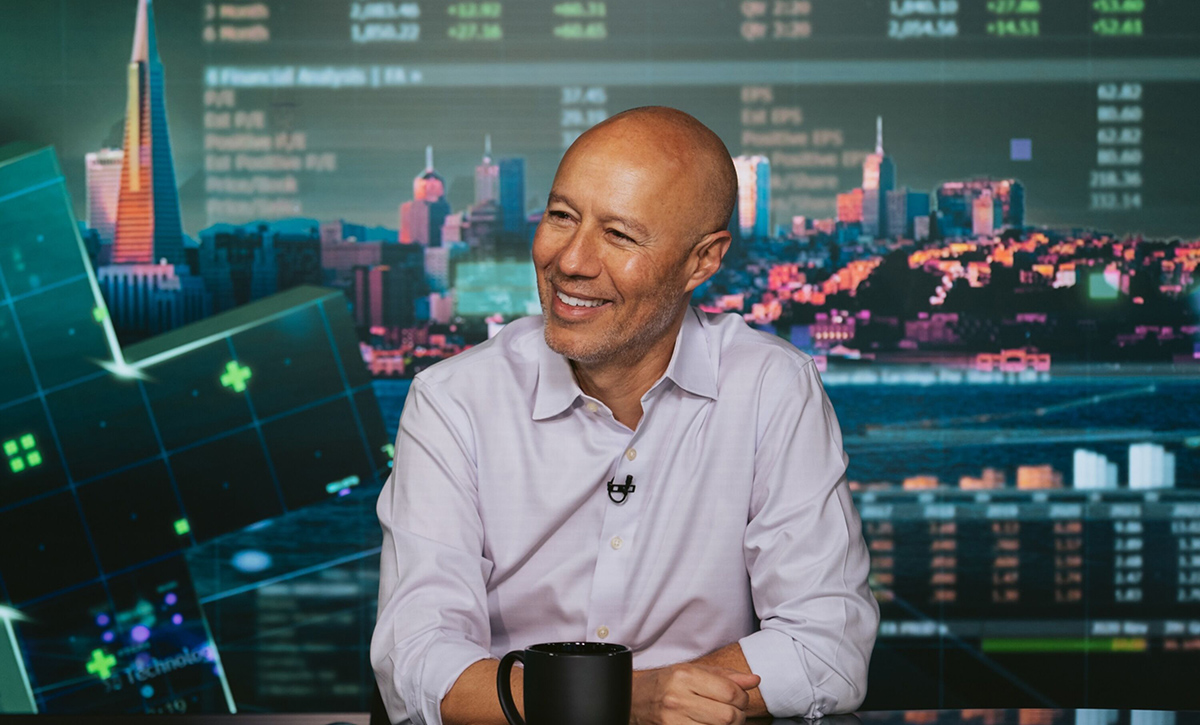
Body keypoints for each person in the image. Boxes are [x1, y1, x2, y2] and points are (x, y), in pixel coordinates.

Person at [371, 106, 878, 725]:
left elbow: (828, 647)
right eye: (562, 216)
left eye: (619, 235)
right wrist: (629, 701)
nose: (572, 261)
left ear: (703, 261)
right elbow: (417, 660)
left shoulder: (773, 387)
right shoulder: (452, 400)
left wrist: (639, 699)